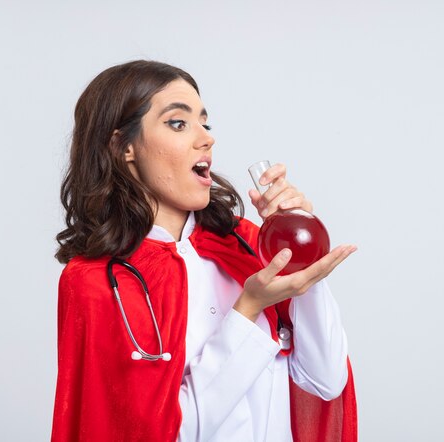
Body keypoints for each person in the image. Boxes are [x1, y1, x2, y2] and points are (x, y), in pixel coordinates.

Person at [51, 60, 358, 442]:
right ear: (123, 146)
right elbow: (164, 433)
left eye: (205, 123)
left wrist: (300, 258)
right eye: (178, 123)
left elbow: (325, 381)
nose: (206, 138)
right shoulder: (96, 283)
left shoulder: (245, 244)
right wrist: (248, 309)